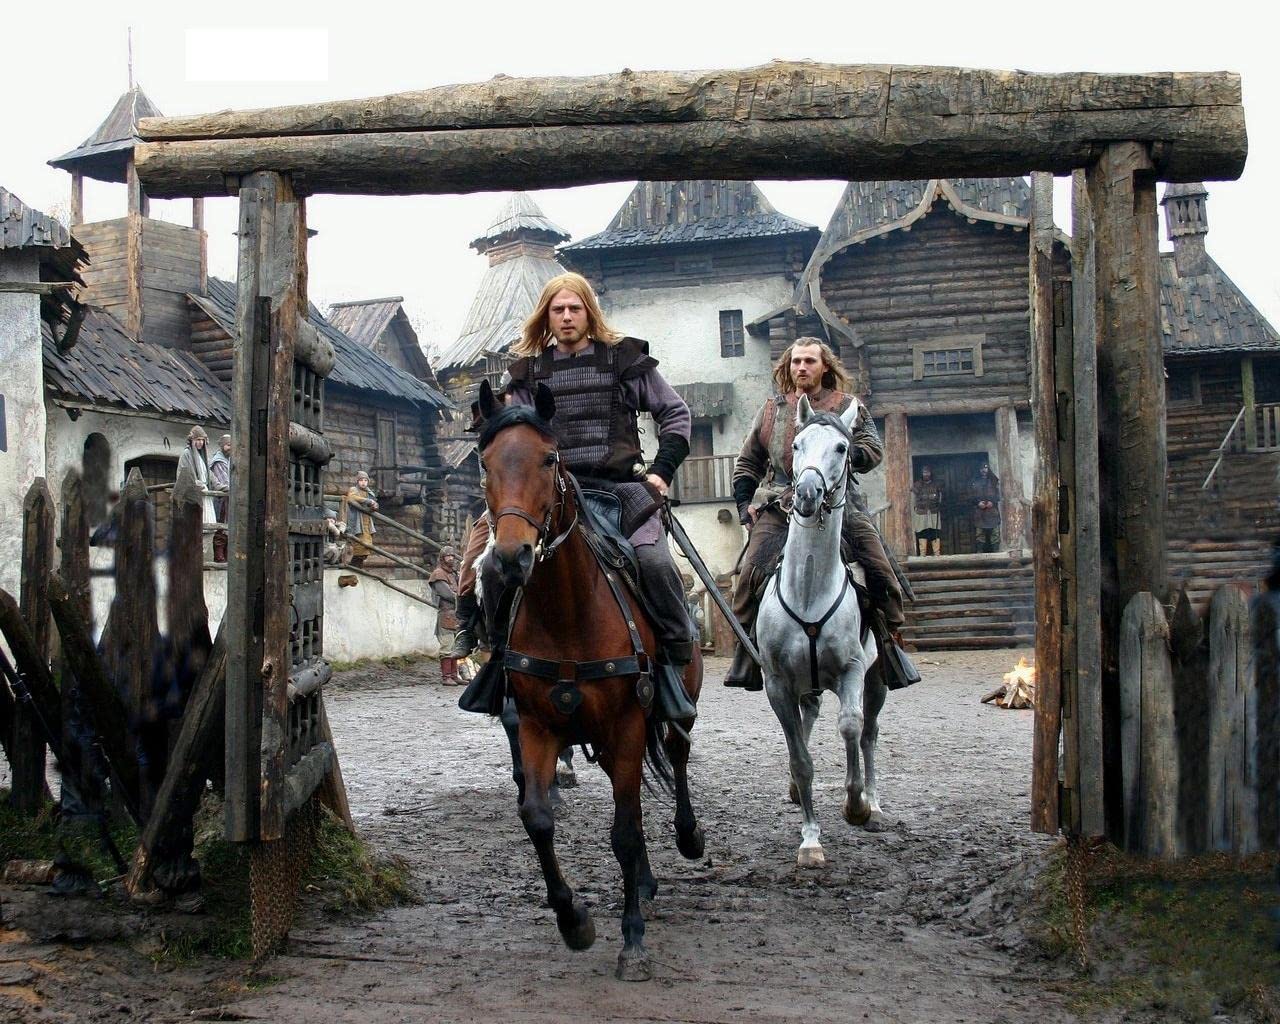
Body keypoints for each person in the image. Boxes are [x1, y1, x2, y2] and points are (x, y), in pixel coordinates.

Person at [452, 271, 695, 721]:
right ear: (546, 317)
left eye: (574, 308)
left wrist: (662, 472)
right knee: (487, 564)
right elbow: (511, 433)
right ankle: (498, 660)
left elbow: (675, 413)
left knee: (656, 563)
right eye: (557, 309)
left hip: (619, 490)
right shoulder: (527, 374)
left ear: (589, 313)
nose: (566, 317)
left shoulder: (624, 361)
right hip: (548, 493)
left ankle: (674, 660)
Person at [725, 337, 905, 691]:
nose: (802, 367)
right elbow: (748, 462)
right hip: (780, 503)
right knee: (749, 576)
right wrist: (745, 504)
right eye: (796, 361)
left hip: (840, 503)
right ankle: (747, 654)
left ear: (825, 367)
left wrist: (843, 449)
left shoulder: (849, 406)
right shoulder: (772, 410)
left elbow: (873, 448)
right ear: (788, 367)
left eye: (809, 361)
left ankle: (889, 645)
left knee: (880, 569)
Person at [430, 547, 463, 685]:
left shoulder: (453, 574)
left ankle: (454, 675)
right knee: (447, 646)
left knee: (455, 647)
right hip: (446, 615)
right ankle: (446, 676)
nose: (450, 558)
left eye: (452, 556)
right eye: (447, 556)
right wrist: (462, 599)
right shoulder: (438, 574)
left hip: (456, 615)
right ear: (442, 558)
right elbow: (447, 594)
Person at [176, 426, 217, 525]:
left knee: (206, 523)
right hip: (192, 495)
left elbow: (210, 476)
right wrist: (196, 484)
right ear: (192, 440)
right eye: (198, 440)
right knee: (194, 523)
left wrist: (222, 486)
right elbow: (183, 475)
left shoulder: (204, 457)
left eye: (202, 440)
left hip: (205, 493)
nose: (200, 442)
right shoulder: (186, 454)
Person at [345, 471, 379, 567]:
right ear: (357, 481)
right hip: (357, 522)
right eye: (361, 480)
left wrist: (375, 506)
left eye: (365, 480)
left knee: (366, 547)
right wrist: (367, 501)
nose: (363, 482)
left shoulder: (369, 492)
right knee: (358, 546)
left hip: (367, 523)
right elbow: (351, 498)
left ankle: (358, 566)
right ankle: (353, 566)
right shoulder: (353, 489)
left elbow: (374, 503)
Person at [208, 434, 231, 563]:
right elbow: (224, 483)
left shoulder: (229, 460)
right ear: (222, 446)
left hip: (229, 499)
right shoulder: (218, 462)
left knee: (228, 528)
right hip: (222, 500)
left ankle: (226, 556)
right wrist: (235, 489)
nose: (230, 448)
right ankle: (219, 556)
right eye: (228, 445)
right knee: (221, 527)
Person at [912, 465, 943, 557]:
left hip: (934, 512)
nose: (926, 474)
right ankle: (922, 554)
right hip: (921, 512)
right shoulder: (917, 485)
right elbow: (913, 499)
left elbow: (940, 497)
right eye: (924, 472)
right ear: (922, 474)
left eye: (928, 472)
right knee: (922, 532)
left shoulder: (936, 485)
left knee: (935, 531)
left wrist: (938, 504)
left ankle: (937, 553)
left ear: (931, 473)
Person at [969, 463, 1001, 553]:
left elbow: (998, 495)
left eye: (985, 468)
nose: (984, 470)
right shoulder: (974, 481)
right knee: (980, 534)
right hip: (979, 512)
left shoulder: (994, 481)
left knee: (995, 534)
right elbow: (970, 496)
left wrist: (992, 502)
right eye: (982, 468)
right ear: (979, 470)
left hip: (992, 511)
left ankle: (996, 553)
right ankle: (980, 554)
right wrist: (978, 503)